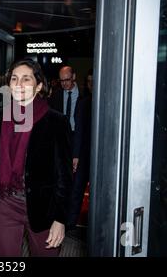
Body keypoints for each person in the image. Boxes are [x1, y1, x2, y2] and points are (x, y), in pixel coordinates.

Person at [0, 59, 72, 257]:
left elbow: (64, 176)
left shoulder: (56, 121)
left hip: (43, 207)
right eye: (14, 78)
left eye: (26, 79)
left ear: (38, 86)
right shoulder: (3, 117)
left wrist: (60, 219)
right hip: (7, 202)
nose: (18, 84)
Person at [68, 69, 93, 229]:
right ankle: (70, 224)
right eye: (89, 81)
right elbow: (78, 131)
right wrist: (76, 155)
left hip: (100, 157)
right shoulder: (84, 103)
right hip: (83, 156)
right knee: (76, 191)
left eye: (93, 81)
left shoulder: (110, 101)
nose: (91, 85)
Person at [49, 66, 81, 134]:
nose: (64, 83)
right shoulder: (56, 95)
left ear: (74, 76)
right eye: (61, 80)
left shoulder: (83, 94)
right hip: (61, 134)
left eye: (67, 80)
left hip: (77, 133)